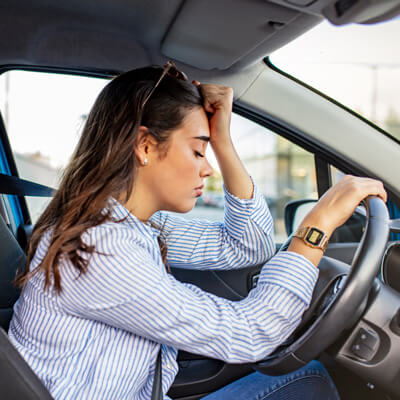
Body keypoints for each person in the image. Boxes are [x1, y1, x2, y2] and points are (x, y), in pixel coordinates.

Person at [9, 62, 386, 400]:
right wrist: (316, 227)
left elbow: (247, 246)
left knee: (312, 378)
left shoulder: (132, 223)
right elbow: (249, 334)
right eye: (197, 151)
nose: (208, 169)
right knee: (314, 384)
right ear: (144, 145)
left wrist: (221, 139)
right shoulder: (100, 248)